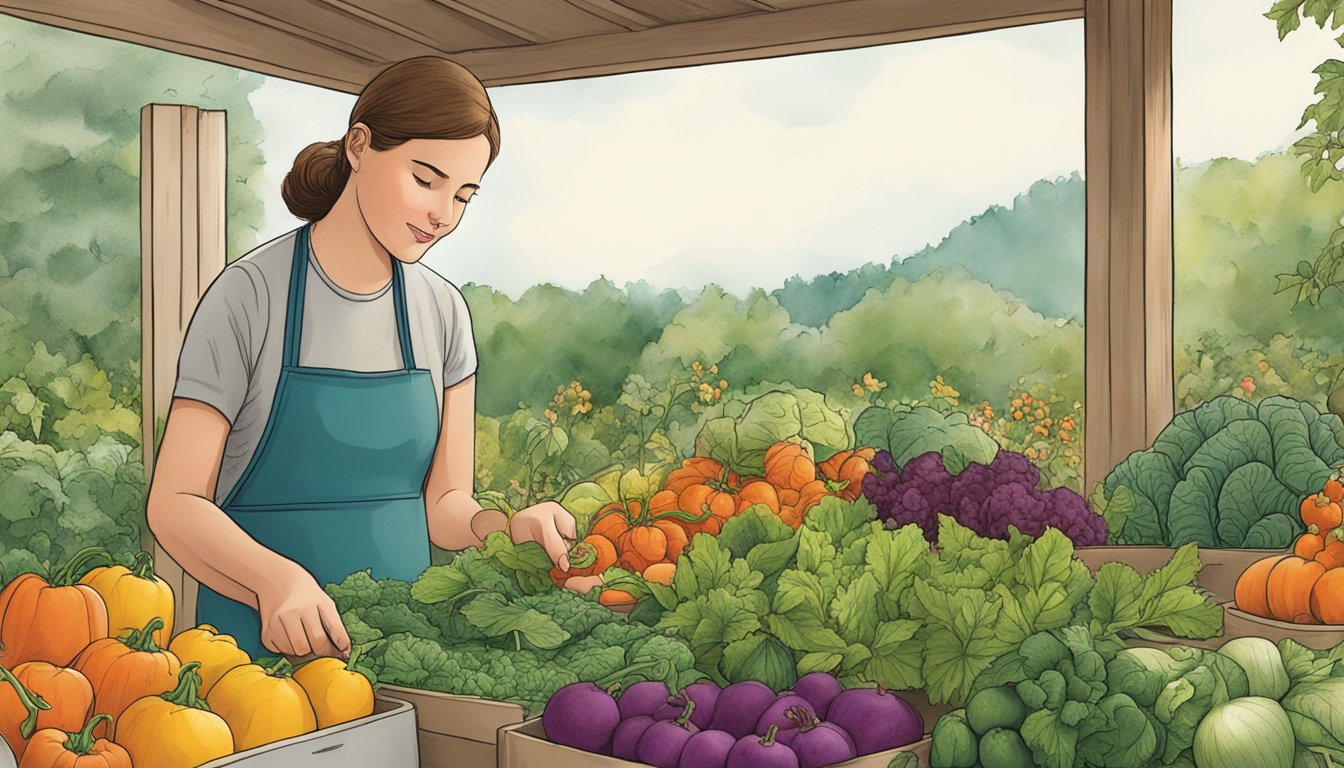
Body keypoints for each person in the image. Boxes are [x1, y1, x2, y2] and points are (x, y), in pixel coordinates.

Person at [146, 56, 576, 660]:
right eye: (425, 180)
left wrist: (503, 530)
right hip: (251, 651)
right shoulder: (251, 295)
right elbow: (175, 503)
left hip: (403, 648)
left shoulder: (443, 313)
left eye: (463, 196)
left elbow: (444, 505)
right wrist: (276, 580)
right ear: (358, 146)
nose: (442, 215)